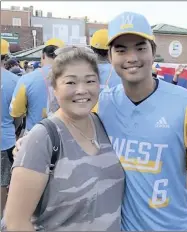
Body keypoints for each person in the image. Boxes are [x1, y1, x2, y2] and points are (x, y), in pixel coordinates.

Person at [97, 11, 187, 231]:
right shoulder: (102, 103)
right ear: (110, 56)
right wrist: (30, 140)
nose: (131, 57)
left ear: (153, 51)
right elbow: (65, 126)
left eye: (140, 47)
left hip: (172, 226)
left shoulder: (186, 103)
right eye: (121, 49)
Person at [4, 47, 125, 231]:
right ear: (55, 88)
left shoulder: (104, 124)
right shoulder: (43, 138)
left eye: (90, 81)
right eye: (70, 82)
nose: (82, 90)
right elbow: (15, 222)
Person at [9, 38, 65, 132]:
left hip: (35, 136)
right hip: (66, 136)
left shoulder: (27, 79)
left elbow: (16, 112)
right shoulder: (73, 78)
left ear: (43, 55)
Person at [0, 39, 19, 219]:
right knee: (3, 182)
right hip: (5, 139)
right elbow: (18, 114)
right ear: (5, 57)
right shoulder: (14, 80)